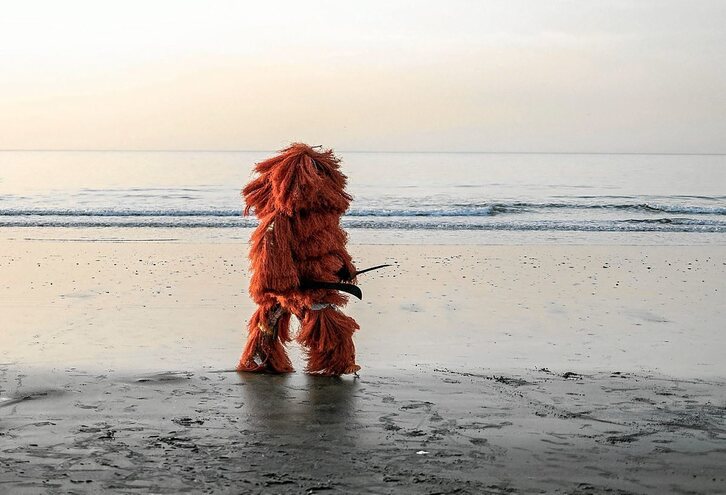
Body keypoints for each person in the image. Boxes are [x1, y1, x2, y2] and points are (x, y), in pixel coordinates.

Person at [236, 143, 361, 376]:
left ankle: (334, 361)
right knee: (274, 316)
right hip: (293, 280)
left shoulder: (323, 215)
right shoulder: (280, 219)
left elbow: (334, 244)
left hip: (316, 277)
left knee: (309, 316)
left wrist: (345, 266)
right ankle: (262, 358)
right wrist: (279, 281)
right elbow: (271, 252)